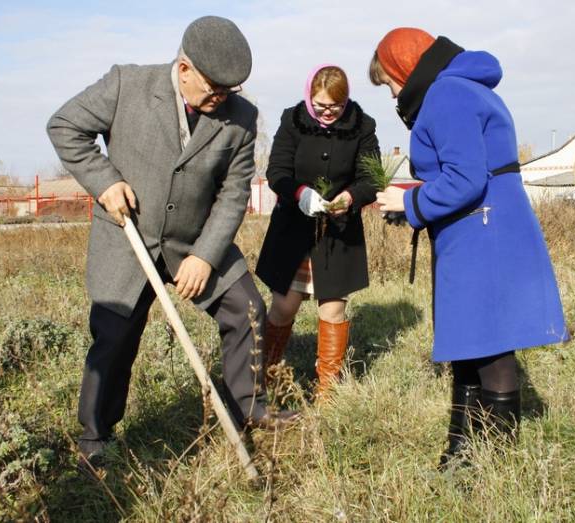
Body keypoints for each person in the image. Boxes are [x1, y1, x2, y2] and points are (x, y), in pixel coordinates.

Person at [47, 16, 297, 471]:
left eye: (230, 91)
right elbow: (65, 126)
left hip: (195, 240)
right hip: (129, 238)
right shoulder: (127, 85)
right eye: (214, 88)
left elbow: (234, 192)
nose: (221, 99)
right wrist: (104, 182)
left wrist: (204, 255)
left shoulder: (240, 118)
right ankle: (95, 437)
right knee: (115, 338)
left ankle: (249, 407)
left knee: (247, 309)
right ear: (185, 69)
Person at [370, 28, 567, 467]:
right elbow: (466, 171)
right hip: (480, 227)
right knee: (468, 340)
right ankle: (463, 448)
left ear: (406, 67)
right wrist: (414, 201)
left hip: (482, 230)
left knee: (490, 343)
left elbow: (466, 179)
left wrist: (411, 200)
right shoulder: (460, 88)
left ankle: (493, 459)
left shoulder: (446, 95)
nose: (393, 94)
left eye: (390, 82)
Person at [256, 64, 380, 398]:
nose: (327, 113)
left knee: (333, 310)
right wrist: (300, 194)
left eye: (335, 107)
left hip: (338, 233)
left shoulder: (363, 126)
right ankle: (266, 378)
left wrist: (351, 196)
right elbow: (277, 171)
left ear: (346, 101)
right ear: (310, 98)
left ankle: (327, 391)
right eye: (321, 106)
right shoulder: (292, 121)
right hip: (293, 231)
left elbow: (373, 179)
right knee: (283, 307)